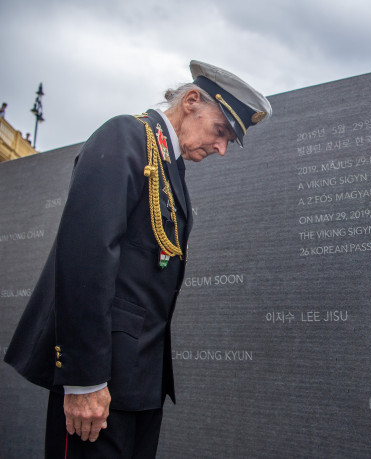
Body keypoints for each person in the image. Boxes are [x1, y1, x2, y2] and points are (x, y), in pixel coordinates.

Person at [3, 60, 272, 458]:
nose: (221, 148)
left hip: (140, 382)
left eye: (229, 139)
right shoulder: (125, 136)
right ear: (192, 101)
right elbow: (84, 258)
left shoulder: (169, 166)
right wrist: (84, 381)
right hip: (101, 382)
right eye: (221, 131)